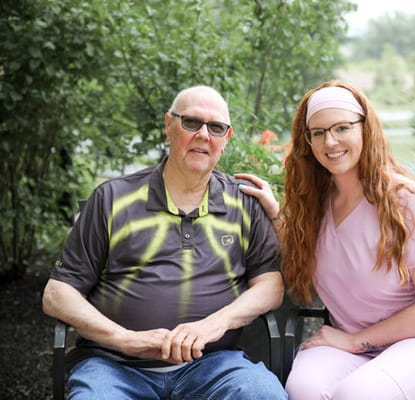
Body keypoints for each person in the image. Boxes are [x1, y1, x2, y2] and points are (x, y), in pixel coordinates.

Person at [42, 85, 287, 400]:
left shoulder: (244, 203)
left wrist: (214, 324)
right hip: (115, 367)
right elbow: (57, 294)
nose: (203, 134)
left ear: (226, 139)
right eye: (191, 122)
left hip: (214, 366)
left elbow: (271, 286)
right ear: (169, 126)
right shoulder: (113, 199)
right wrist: (124, 338)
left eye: (216, 127)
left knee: (263, 394)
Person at [237, 80, 415, 399]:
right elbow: (295, 250)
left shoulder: (405, 200)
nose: (330, 141)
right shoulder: (313, 207)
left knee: (359, 393)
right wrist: (273, 209)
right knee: (303, 390)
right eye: (318, 133)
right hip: (353, 347)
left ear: (366, 128)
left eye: (342, 127)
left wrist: (354, 340)